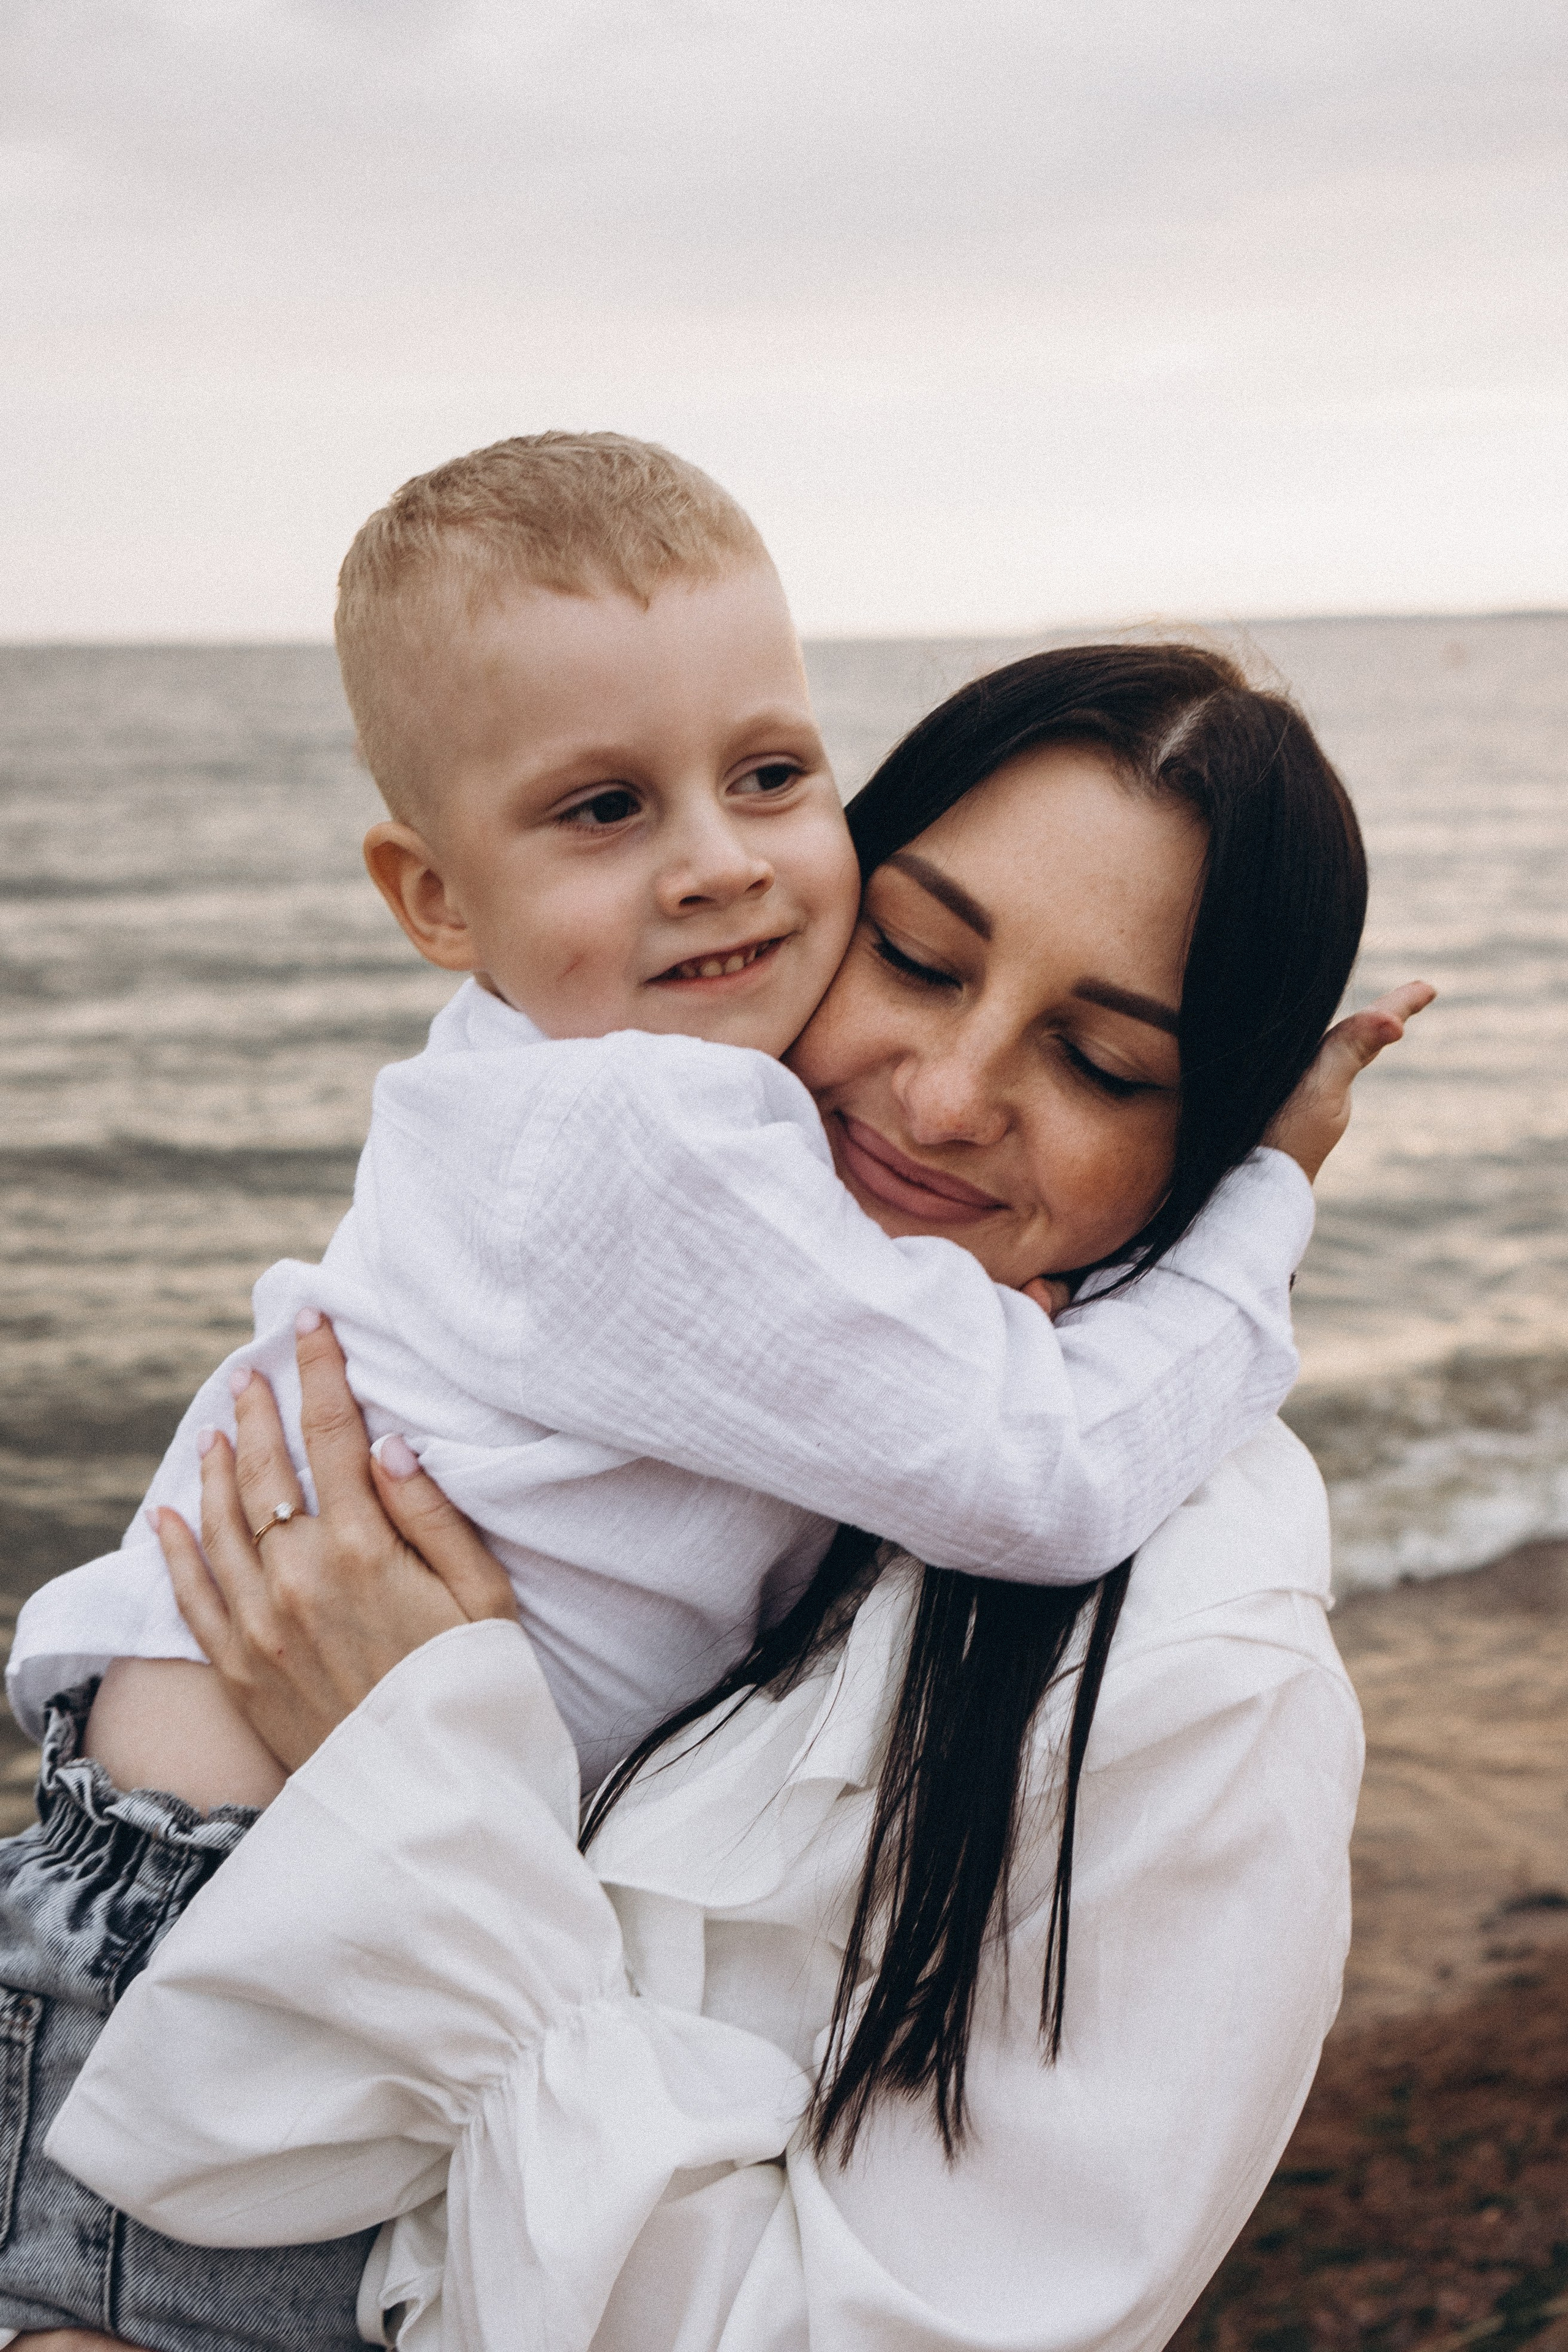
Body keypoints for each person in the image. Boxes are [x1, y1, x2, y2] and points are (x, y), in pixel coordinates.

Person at [0, 448, 1354, 2352]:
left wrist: (423, 1761)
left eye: (1105, 1060)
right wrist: (1262, 1217)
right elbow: (1024, 1460)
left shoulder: (1201, 1667)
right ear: (433, 897)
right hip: (203, 1932)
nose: (951, 1097)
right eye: (919, 952)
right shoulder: (655, 1137)